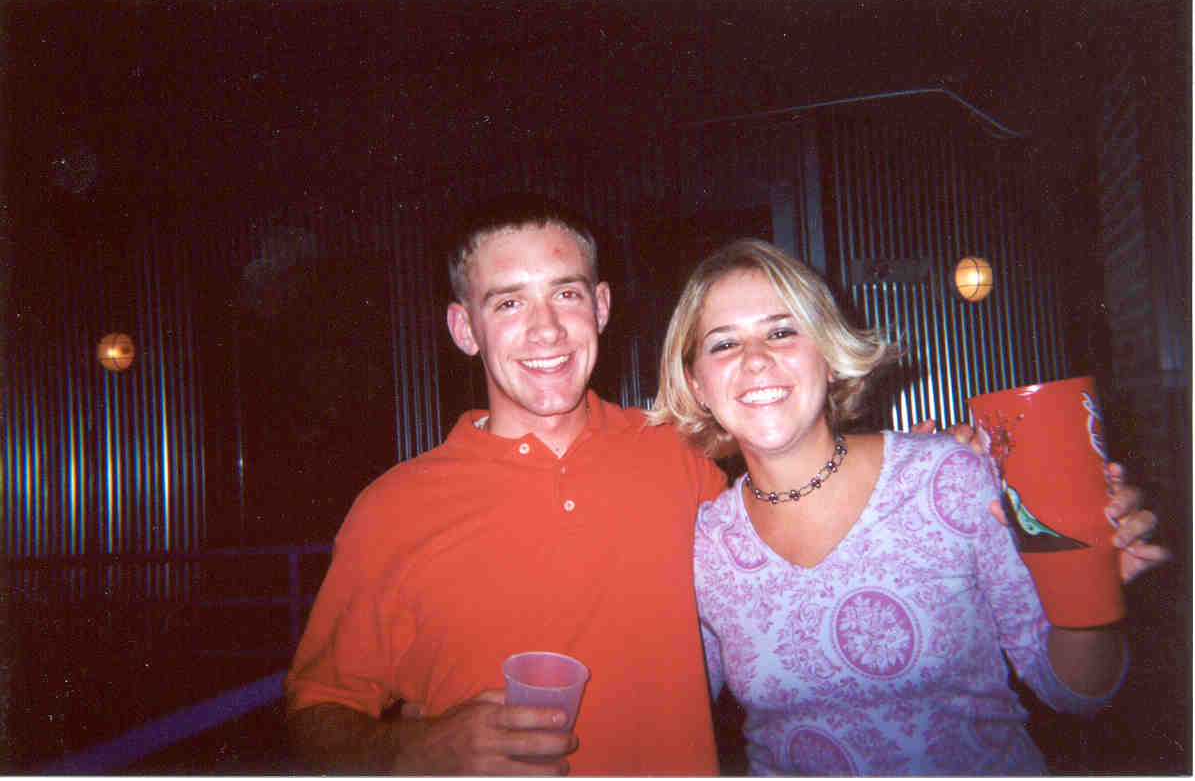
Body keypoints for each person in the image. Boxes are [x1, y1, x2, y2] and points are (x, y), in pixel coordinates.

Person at [648, 238, 1168, 775]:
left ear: (829, 356)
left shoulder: (948, 475)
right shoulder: (704, 545)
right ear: (697, 384)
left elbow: (1078, 691)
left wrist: (1089, 591)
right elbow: (668, 711)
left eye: (782, 332)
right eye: (724, 344)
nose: (756, 359)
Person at [284, 194, 729, 775]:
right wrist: (411, 750)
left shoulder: (681, 455)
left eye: (566, 294)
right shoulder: (390, 509)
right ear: (464, 328)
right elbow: (315, 715)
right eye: (509, 303)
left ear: (600, 307)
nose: (547, 330)